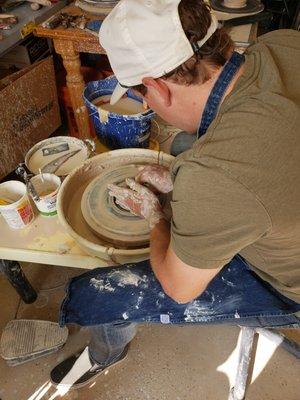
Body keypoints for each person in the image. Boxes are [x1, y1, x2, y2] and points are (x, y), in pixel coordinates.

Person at [50, 0, 300, 389]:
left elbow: (179, 288)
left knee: (98, 294)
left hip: (291, 283)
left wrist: (155, 216)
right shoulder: (283, 44)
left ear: (157, 88)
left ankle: (103, 354)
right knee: (185, 144)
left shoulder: (217, 175)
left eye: (143, 98)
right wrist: (186, 182)